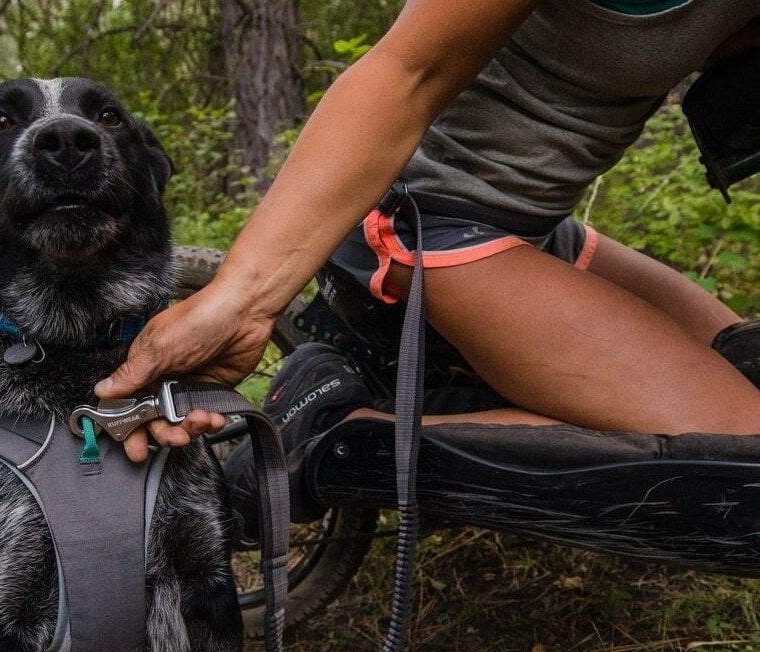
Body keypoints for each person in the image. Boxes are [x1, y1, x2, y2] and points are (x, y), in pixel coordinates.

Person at [94, 0, 760, 483]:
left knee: (746, 359)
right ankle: (330, 434)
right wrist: (242, 299)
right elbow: (406, 71)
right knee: (743, 446)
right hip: (425, 220)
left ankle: (465, 401)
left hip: (532, 231)